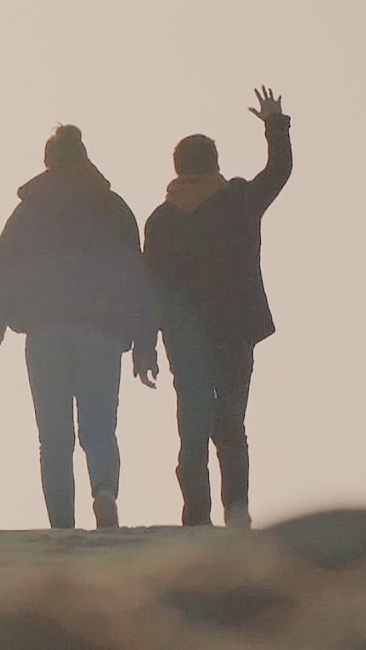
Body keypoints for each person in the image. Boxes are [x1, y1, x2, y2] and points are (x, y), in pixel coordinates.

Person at [0, 125, 154, 529]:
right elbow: (137, 277)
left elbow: (1, 276)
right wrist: (145, 342)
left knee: (53, 434)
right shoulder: (112, 206)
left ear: (48, 161)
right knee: (98, 424)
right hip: (101, 330)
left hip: (45, 331)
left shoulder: (29, 211)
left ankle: (61, 521)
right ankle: (104, 490)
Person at [137, 87, 293, 530]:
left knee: (192, 426)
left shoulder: (162, 220)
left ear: (177, 167)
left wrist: (144, 345)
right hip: (235, 329)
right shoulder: (238, 201)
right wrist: (274, 123)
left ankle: (195, 516)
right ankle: (237, 511)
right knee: (230, 424)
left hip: (184, 335)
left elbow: (151, 288)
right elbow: (278, 172)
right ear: (215, 164)